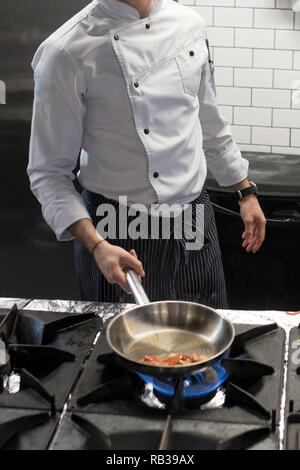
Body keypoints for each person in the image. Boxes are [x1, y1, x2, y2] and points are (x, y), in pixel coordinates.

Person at [27, 0, 266, 308]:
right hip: (116, 232)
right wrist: (97, 245)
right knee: (122, 349)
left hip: (194, 220)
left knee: (203, 339)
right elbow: (48, 174)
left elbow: (208, 121)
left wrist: (245, 191)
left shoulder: (189, 24)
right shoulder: (66, 51)